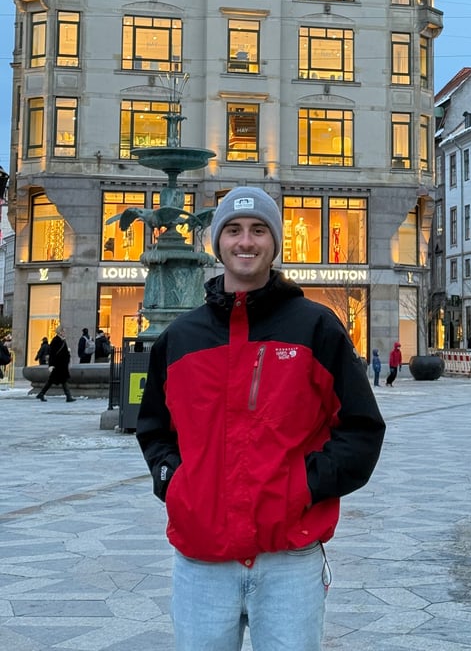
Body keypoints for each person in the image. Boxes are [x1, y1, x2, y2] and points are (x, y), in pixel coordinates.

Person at [136, 186, 385, 651]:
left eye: (257, 230)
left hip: (288, 559)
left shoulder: (316, 327)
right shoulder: (181, 339)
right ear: (218, 242)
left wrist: (302, 487)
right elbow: (155, 429)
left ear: (274, 242)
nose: (245, 241)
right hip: (202, 558)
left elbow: (361, 429)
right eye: (233, 230)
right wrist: (176, 483)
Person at [36, 326, 75, 402]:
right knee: (58, 380)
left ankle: (42, 393)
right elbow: (52, 354)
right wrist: (51, 365)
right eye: (63, 331)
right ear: (60, 332)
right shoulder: (56, 340)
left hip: (61, 365)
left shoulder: (62, 340)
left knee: (57, 380)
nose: (64, 333)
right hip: (58, 365)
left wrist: (67, 353)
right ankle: (68, 396)